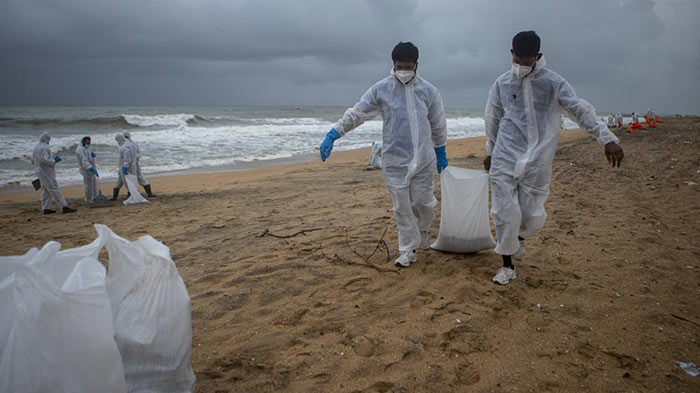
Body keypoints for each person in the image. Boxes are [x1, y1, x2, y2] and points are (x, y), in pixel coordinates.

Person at [483, 31, 624, 285]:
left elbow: (578, 109)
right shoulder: (502, 83)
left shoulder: (553, 83)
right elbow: (492, 119)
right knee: (505, 212)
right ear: (511, 53)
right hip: (505, 154)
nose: (521, 64)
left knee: (529, 213)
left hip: (538, 158)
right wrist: (490, 153)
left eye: (526, 60)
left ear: (537, 56)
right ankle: (506, 265)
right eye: (517, 58)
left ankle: (521, 238)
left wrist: (606, 138)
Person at [319, 41, 448, 267]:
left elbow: (438, 123)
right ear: (393, 64)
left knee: (423, 202)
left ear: (416, 65)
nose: (403, 71)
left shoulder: (429, 91)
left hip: (424, 159)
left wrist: (441, 150)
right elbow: (358, 113)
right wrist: (334, 133)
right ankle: (408, 250)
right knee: (401, 207)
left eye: (408, 67)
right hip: (395, 161)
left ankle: (424, 230)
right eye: (400, 66)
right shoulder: (382, 89)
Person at [31, 132, 76, 214]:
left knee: (46, 190)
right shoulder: (44, 147)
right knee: (54, 188)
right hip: (46, 172)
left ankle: (46, 208)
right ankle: (64, 207)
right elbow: (44, 159)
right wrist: (54, 161)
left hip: (39, 170)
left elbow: (32, 160)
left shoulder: (36, 147)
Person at [123, 131, 155, 197]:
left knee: (131, 179)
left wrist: (125, 165)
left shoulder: (125, 145)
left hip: (130, 165)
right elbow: (139, 153)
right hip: (135, 163)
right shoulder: (134, 143)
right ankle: (149, 193)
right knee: (141, 177)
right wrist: (136, 159)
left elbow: (126, 157)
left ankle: (133, 194)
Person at [76, 136, 99, 203]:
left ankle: (95, 197)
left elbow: (89, 158)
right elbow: (84, 161)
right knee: (88, 185)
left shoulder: (86, 148)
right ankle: (88, 199)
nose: (88, 142)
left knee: (94, 184)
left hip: (91, 169)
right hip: (86, 169)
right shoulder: (80, 149)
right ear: (83, 141)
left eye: (89, 141)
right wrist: (90, 168)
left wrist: (92, 156)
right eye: (86, 141)